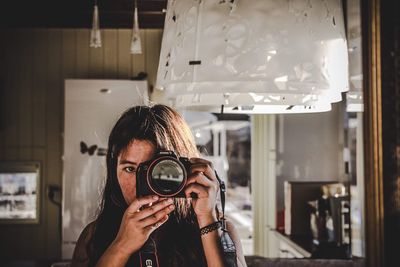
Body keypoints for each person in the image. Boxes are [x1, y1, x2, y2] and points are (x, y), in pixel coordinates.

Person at [71, 104, 247, 267]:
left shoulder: (219, 229)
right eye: (130, 168)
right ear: (113, 171)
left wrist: (208, 220)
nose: (142, 182)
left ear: (184, 170)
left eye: (155, 170)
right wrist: (121, 246)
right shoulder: (94, 236)